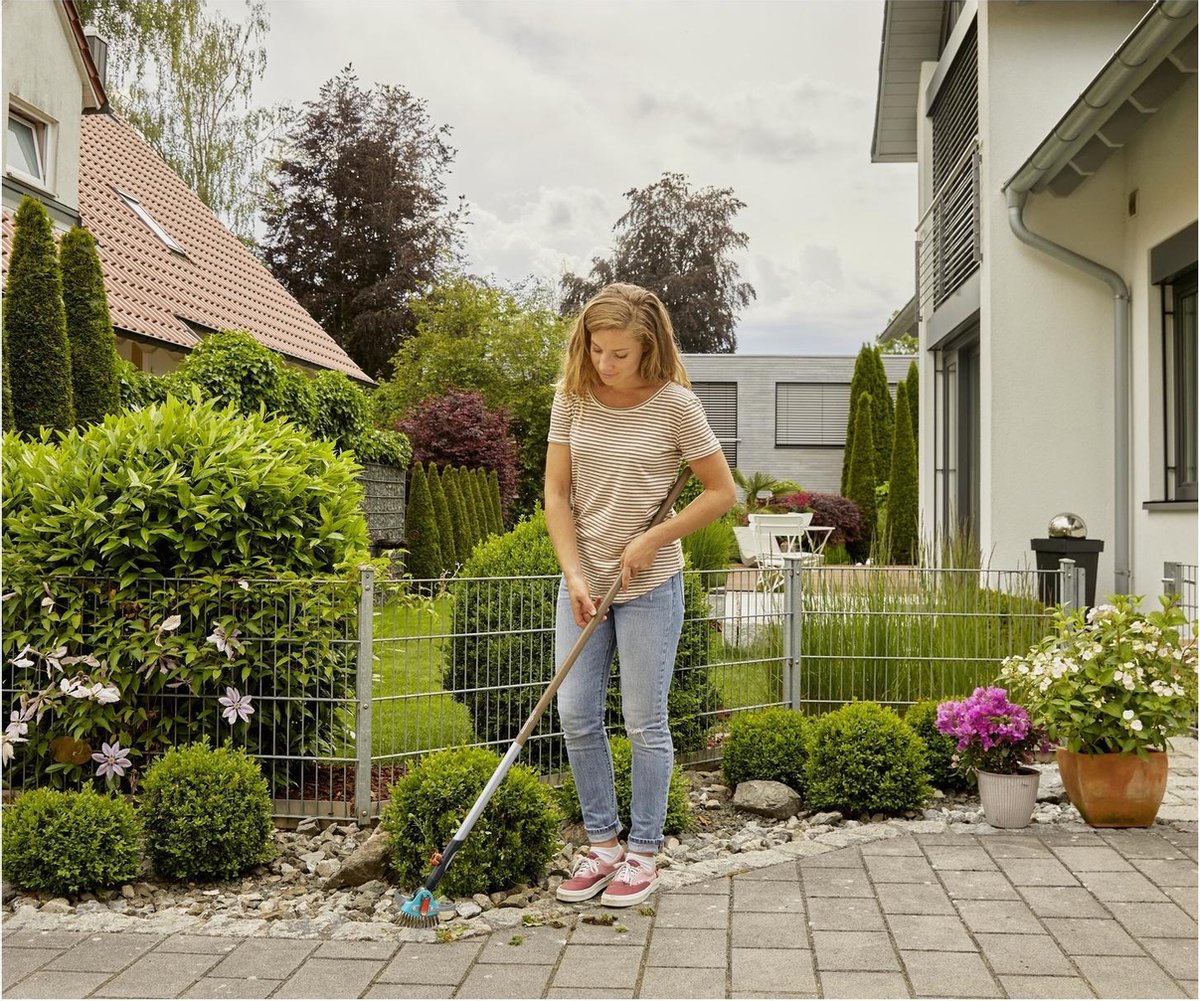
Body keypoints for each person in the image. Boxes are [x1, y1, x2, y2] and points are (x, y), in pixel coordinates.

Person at [545, 282, 736, 907]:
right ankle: (602, 845)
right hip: (585, 582)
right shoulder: (573, 398)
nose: (604, 363)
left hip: (649, 586)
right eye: (597, 348)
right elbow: (555, 496)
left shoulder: (677, 405)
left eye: (619, 353)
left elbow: (719, 493)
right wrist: (574, 574)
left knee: (643, 720)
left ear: (648, 346)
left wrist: (654, 537)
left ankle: (644, 851)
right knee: (575, 711)